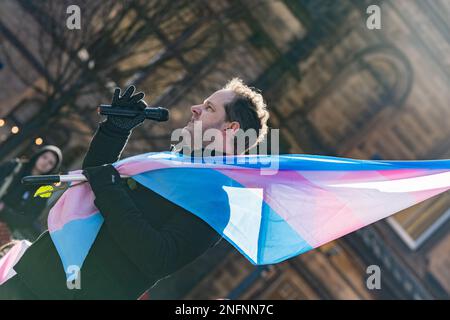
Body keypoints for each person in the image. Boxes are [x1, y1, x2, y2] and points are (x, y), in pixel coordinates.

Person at [0, 78, 269, 299]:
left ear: (231, 129)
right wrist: (114, 131)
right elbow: (95, 176)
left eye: (209, 108)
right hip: (37, 273)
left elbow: (156, 257)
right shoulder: (166, 163)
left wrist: (109, 185)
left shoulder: (215, 202)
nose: (195, 108)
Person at [0, 146, 63, 243]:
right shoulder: (13, 166)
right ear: (38, 155)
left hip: (4, 229)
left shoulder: (44, 191)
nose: (45, 163)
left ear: (53, 168)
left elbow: (28, 219)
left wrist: (4, 210)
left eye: (51, 163)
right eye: (44, 157)